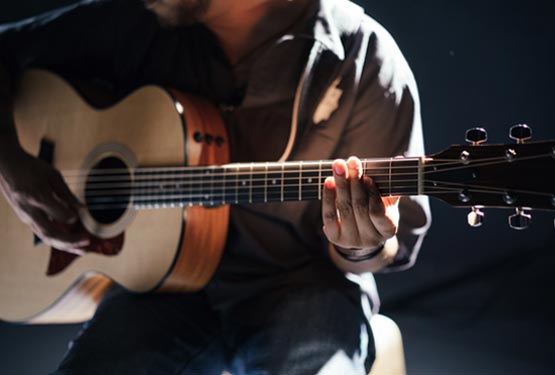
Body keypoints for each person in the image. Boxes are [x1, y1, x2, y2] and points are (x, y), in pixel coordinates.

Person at [0, 0, 431, 373]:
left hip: (303, 288)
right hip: (159, 291)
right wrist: (12, 164)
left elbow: (385, 248)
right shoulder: (136, 20)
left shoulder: (363, 57)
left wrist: (361, 243)